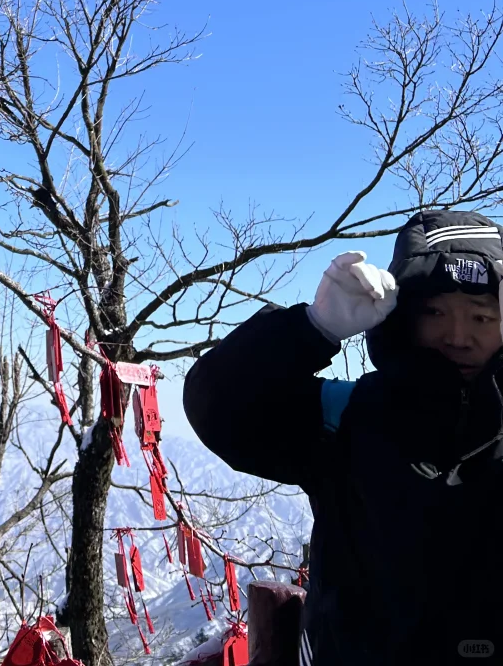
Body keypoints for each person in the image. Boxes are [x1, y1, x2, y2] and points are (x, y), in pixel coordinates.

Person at [182, 209, 503, 666]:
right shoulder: (348, 415)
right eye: (434, 312)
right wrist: (312, 329)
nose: (459, 335)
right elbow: (219, 408)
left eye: (481, 316)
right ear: (403, 318)